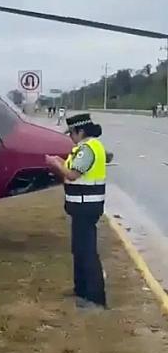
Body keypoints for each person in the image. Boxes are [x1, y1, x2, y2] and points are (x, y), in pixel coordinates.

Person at [45, 113, 108, 310]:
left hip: (86, 207)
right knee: (79, 249)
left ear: (80, 131)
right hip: (80, 207)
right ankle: (80, 289)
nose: (70, 137)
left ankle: (95, 298)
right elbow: (73, 169)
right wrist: (60, 162)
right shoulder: (83, 149)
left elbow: (72, 174)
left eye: (71, 133)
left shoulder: (88, 149)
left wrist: (56, 165)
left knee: (87, 252)